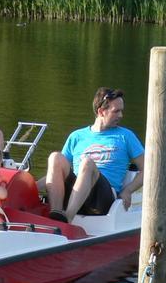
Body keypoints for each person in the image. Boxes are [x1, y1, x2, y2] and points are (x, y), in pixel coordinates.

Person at [44, 87, 145, 223]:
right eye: (116, 111)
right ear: (101, 112)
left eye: (121, 111)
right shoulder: (77, 136)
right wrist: (29, 183)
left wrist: (128, 190)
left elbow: (148, 169)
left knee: (87, 163)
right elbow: (56, 173)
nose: (121, 115)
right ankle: (55, 214)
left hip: (103, 199)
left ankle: (67, 219)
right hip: (77, 193)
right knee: (55, 157)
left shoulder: (126, 136)